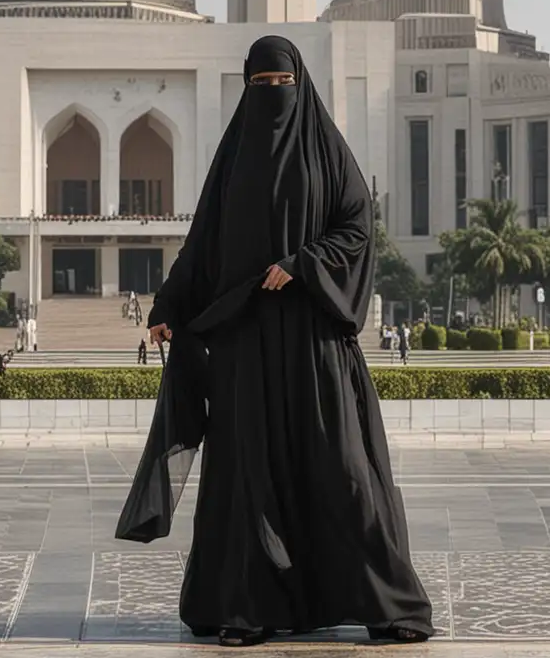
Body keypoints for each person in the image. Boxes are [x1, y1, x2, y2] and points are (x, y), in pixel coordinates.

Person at [123, 35, 432, 646]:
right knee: (248, 478)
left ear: (300, 84)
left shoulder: (327, 153)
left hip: (315, 344)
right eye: (259, 85)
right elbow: (203, 244)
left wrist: (303, 262)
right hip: (246, 345)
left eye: (280, 84)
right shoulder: (233, 159)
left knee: (343, 470)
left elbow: (356, 227)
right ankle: (249, 607)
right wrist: (167, 306)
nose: (271, 95)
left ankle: (386, 605)